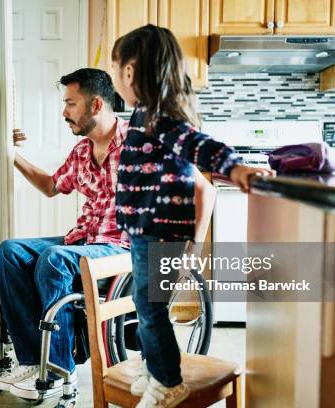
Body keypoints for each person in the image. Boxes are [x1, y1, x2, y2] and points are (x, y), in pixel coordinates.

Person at [110, 25, 274, 408]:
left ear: (130, 73)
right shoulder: (142, 113)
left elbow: (201, 146)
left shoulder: (159, 116)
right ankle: (154, 367)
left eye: (115, 69)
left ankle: (169, 381)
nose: (115, 78)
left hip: (159, 229)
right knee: (149, 304)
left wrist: (236, 169)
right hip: (145, 229)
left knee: (150, 308)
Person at [0, 68, 131, 400]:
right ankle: (31, 360)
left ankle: (57, 367)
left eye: (71, 103)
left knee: (54, 260)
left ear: (96, 104)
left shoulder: (137, 145)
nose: (64, 112)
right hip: (85, 241)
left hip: (123, 247)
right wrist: (11, 155)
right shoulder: (82, 152)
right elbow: (52, 186)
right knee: (10, 251)